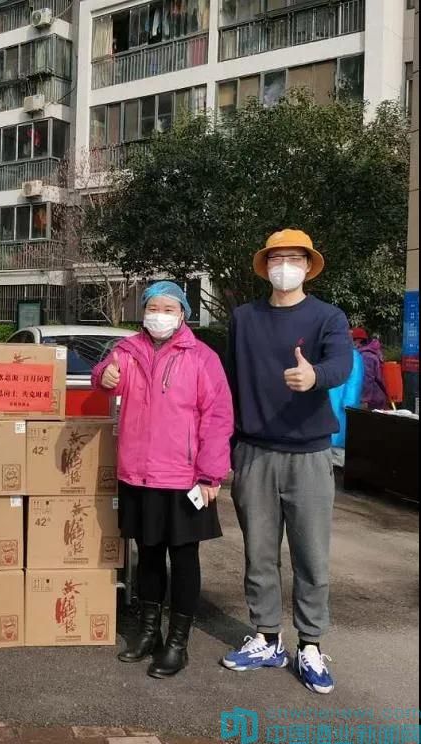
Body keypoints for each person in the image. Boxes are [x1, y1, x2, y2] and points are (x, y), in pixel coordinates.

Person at [222, 229, 352, 695]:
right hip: (254, 451)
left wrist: (315, 375)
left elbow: (342, 364)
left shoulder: (327, 317)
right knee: (258, 554)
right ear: (265, 266)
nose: (285, 266)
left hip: (309, 455)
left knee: (311, 556)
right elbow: (229, 382)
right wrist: (226, 444)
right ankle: (267, 637)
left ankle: (310, 644)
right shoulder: (244, 318)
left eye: (294, 258)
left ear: (308, 266)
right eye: (277, 258)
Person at [93, 281, 233, 679]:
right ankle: (149, 632)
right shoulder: (128, 350)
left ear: (183, 314)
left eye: (169, 308)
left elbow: (218, 417)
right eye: (153, 307)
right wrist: (103, 375)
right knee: (148, 555)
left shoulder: (201, 357)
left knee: (184, 559)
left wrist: (210, 474)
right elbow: (106, 377)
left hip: (184, 477)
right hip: (138, 473)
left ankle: (177, 643)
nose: (160, 315)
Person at [351, 327, 389, 410]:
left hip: (371, 402)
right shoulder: (366, 354)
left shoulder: (366, 356)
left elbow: (366, 380)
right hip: (374, 399)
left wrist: (363, 400)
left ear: (359, 341)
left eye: (351, 340)